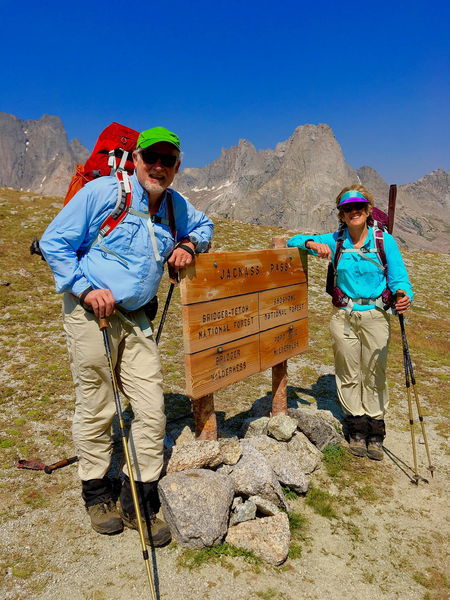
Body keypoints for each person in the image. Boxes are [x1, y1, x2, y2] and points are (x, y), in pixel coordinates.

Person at [40, 126, 213, 545]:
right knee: (98, 403)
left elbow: (206, 226)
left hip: (137, 319)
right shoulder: (105, 193)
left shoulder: (176, 207)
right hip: (90, 314)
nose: (158, 166)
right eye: (151, 157)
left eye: (167, 160)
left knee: (152, 409)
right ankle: (96, 491)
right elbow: (53, 242)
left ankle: (137, 496)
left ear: (176, 166)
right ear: (136, 158)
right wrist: (84, 288)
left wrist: (188, 245)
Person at [287, 185, 413, 461]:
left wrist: (404, 295)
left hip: (376, 315)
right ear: (341, 214)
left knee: (374, 370)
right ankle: (356, 427)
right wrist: (311, 244)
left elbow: (399, 278)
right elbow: (292, 241)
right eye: (347, 208)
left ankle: (375, 430)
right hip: (344, 314)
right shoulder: (335, 240)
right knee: (347, 370)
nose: (353, 211)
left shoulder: (384, 241)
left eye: (358, 207)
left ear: (368, 211)